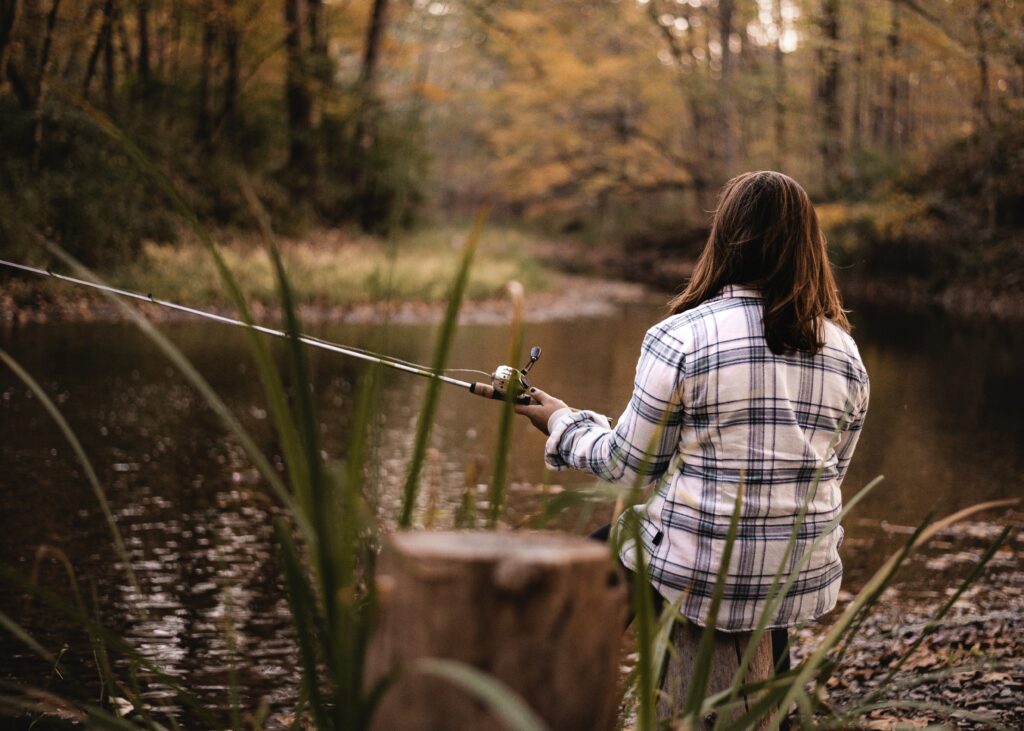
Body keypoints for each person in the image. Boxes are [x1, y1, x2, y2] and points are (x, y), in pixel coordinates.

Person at [515, 171, 869, 669]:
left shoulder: (681, 337)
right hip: (799, 578)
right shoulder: (845, 352)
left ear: (725, 238)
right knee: (756, 570)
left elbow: (629, 467)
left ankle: (555, 686)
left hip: (697, 575)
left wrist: (562, 423)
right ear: (809, 247)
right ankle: (772, 710)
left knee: (610, 550)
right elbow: (829, 473)